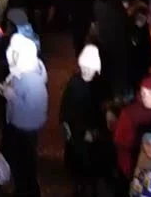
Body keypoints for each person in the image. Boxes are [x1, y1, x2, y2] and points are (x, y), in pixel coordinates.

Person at [0, 34, 48, 197]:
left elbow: (34, 109)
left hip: (25, 127)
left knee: (25, 163)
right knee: (22, 161)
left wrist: (11, 96)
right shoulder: (23, 71)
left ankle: (27, 191)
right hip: (19, 124)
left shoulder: (32, 80)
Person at [61, 45, 112, 197]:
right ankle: (80, 187)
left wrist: (95, 131)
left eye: (89, 68)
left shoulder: (100, 85)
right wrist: (67, 125)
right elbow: (66, 107)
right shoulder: (74, 83)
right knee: (78, 161)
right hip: (77, 131)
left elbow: (102, 111)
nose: (86, 71)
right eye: (83, 67)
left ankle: (92, 187)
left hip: (92, 133)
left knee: (92, 162)